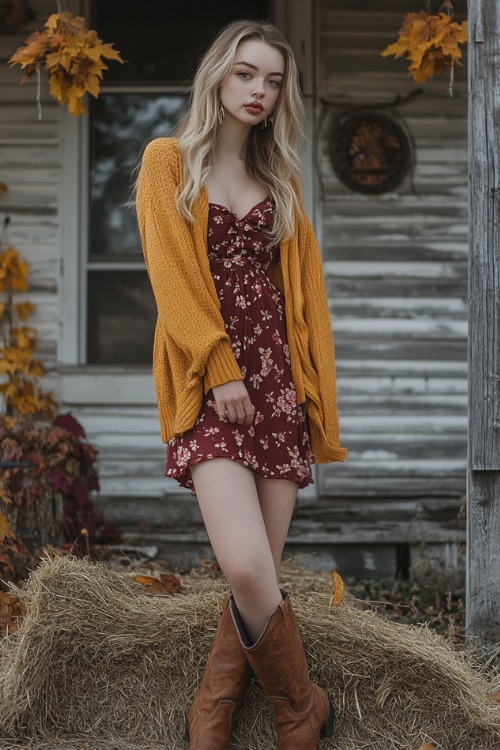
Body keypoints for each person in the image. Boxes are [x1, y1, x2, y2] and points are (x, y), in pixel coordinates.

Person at [136, 18, 347, 750]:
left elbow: (305, 303)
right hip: (211, 378)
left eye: (274, 80)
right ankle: (299, 703)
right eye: (246, 73)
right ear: (218, 76)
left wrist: (311, 400)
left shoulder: (280, 180)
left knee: (256, 580)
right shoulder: (168, 161)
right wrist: (221, 369)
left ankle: (219, 715)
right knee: (249, 566)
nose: (259, 90)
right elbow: (171, 280)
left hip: (277, 385)